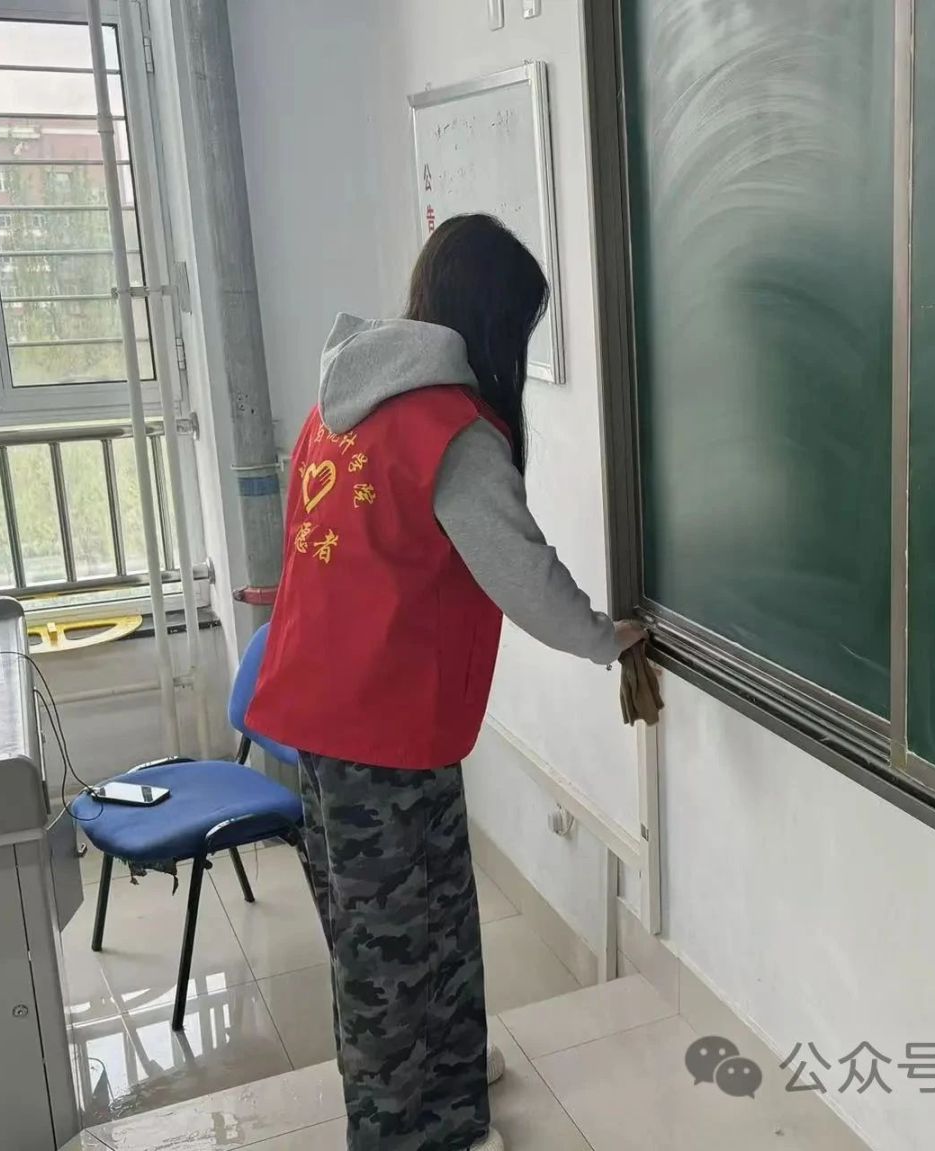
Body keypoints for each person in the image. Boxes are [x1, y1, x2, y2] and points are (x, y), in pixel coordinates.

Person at [245, 214, 643, 1151]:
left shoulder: (341, 405)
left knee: (430, 917)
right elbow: (524, 575)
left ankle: (453, 1084)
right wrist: (607, 638)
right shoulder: (450, 431)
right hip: (376, 729)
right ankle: (402, 1131)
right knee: (389, 954)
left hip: (340, 716)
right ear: (492, 320)